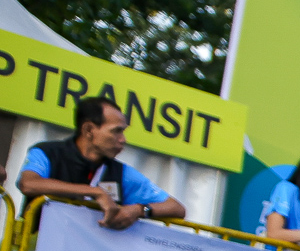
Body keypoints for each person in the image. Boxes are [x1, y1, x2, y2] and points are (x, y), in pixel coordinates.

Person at [15, 97, 186, 229]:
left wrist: (139, 210)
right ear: (88, 130)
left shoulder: (121, 172)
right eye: (116, 131)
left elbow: (177, 208)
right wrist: (96, 192)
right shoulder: (47, 152)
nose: (123, 140)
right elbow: (28, 184)